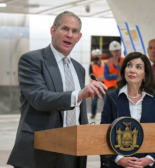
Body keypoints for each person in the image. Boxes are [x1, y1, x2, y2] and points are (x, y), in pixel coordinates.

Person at [7, 11, 107, 168]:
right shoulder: (32, 60)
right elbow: (39, 99)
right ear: (53, 31)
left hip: (72, 152)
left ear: (79, 37)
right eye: (65, 29)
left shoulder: (79, 69)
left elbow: (78, 112)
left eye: (74, 31)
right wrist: (80, 94)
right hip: (39, 151)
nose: (69, 35)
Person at [101, 52, 155, 168]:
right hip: (119, 164)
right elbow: (103, 132)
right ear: (124, 70)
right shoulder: (112, 98)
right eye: (129, 65)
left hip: (147, 164)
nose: (132, 70)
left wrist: (149, 159)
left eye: (138, 67)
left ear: (145, 74)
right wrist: (119, 159)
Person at [89, 49, 105, 119]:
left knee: (106, 101)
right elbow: (91, 74)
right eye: (95, 55)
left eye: (98, 55)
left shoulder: (105, 63)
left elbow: (107, 73)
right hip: (94, 85)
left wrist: (101, 78)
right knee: (94, 101)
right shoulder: (91, 64)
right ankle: (93, 114)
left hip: (104, 84)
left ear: (100, 56)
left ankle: (106, 114)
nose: (97, 57)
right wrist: (99, 78)